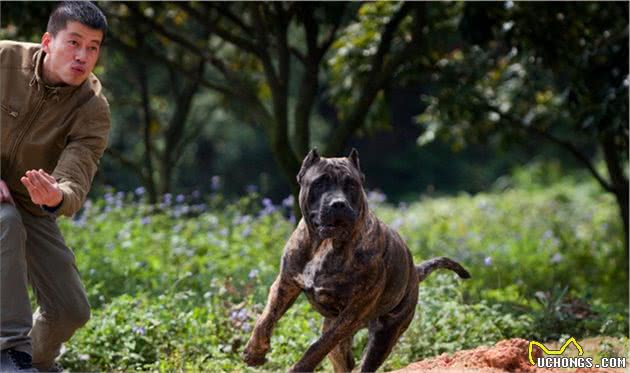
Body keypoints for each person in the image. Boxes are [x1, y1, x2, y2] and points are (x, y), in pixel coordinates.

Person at [0, 2, 110, 371]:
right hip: (5, 208)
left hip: (31, 202)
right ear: (48, 40)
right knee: (5, 223)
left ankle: (33, 362)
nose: (83, 56)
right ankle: (10, 353)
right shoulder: (4, 59)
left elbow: (78, 170)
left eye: (93, 47)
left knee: (70, 310)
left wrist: (57, 195)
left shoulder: (92, 107)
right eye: (74, 42)